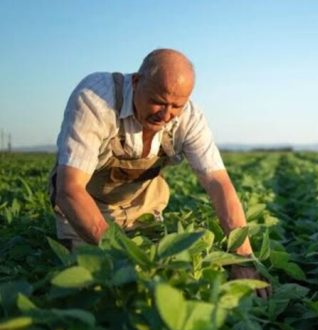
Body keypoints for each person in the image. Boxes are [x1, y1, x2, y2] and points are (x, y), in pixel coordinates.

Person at [49, 48, 270, 297]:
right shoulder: (96, 99)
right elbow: (69, 191)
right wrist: (126, 258)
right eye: (158, 101)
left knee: (169, 282)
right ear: (136, 81)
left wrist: (242, 259)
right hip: (85, 208)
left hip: (143, 208)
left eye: (176, 106)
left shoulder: (190, 118)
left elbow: (218, 183)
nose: (166, 115)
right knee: (96, 286)